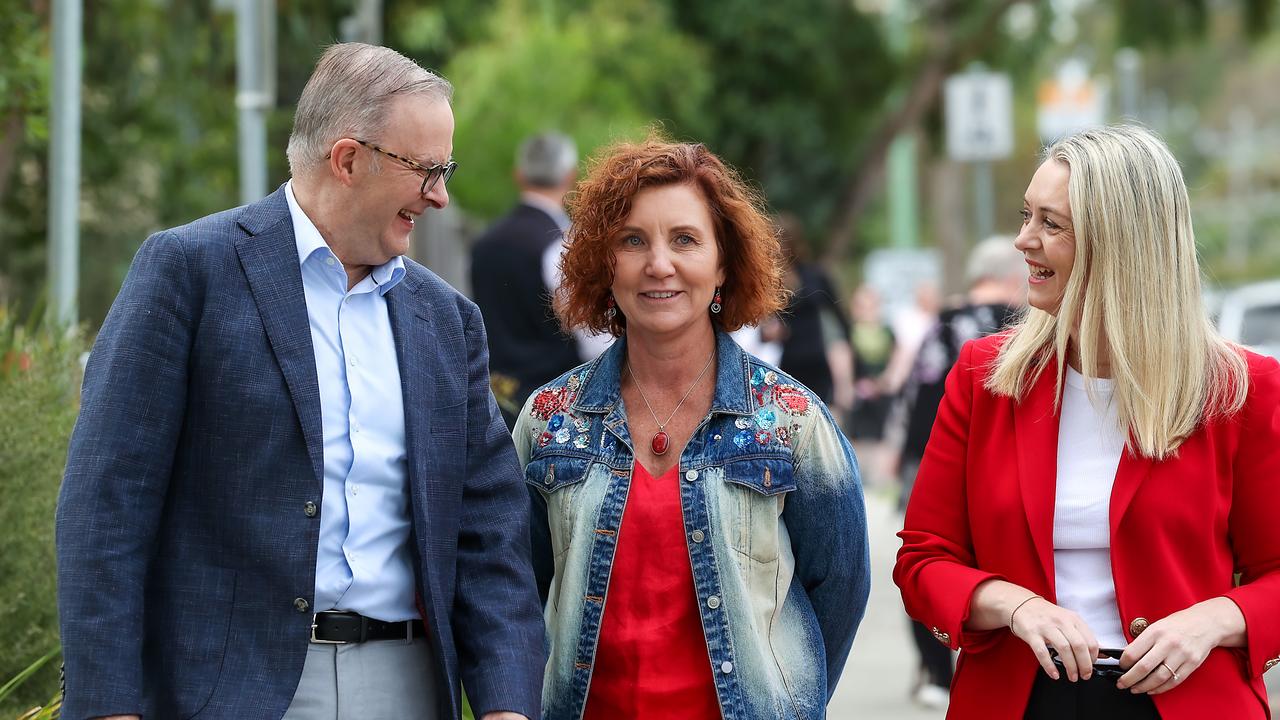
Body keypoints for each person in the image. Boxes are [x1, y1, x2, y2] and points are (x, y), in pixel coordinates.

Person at [55, 43, 543, 720]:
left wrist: (505, 705)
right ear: (348, 160)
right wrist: (108, 706)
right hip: (226, 694)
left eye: (445, 170)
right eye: (427, 170)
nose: (440, 195)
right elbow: (106, 509)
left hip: (408, 688)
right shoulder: (188, 273)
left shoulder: (446, 321)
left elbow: (489, 531)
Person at [894, 125, 1280, 720]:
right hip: (1019, 702)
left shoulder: (1239, 390)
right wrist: (1014, 606)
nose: (1023, 240)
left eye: (1051, 224)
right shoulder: (983, 378)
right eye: (1027, 216)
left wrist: (1211, 621)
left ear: (1119, 243)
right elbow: (923, 561)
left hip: (1185, 701)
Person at [514, 138, 870, 720]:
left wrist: (784, 703)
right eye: (633, 241)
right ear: (606, 263)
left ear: (724, 262)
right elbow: (514, 592)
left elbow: (841, 588)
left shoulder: (791, 419)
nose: (659, 264)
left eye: (685, 239)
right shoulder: (551, 418)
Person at [893, 236, 1025, 709]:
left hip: (930, 457)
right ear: (1015, 278)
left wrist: (901, 455)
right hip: (1003, 467)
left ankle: (936, 670)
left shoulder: (943, 324)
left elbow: (913, 393)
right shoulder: (1026, 324)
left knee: (927, 557)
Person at [470, 132, 587, 427]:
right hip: (557, 407)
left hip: (495, 403)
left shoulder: (484, 244)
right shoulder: (563, 246)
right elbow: (589, 335)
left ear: (519, 175)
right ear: (570, 176)